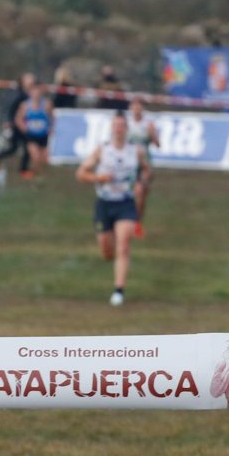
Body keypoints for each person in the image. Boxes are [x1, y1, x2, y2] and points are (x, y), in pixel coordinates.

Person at [75, 111, 150, 307]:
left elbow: (146, 170)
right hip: (104, 203)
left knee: (123, 246)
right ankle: (111, 255)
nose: (118, 129)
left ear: (126, 129)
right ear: (111, 129)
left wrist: (141, 183)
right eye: (115, 126)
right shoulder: (102, 150)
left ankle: (119, 290)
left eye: (121, 126)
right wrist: (98, 178)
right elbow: (81, 173)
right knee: (107, 251)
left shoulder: (136, 151)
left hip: (125, 203)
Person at [126, 96, 160, 238]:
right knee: (129, 193)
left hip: (144, 163)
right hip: (128, 163)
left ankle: (138, 223)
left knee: (141, 194)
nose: (136, 108)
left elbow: (158, 144)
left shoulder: (148, 124)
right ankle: (125, 221)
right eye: (134, 105)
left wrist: (152, 135)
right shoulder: (126, 123)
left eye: (139, 105)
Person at [0, 72, 34, 174]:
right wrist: (8, 121)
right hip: (16, 125)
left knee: (21, 148)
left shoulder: (26, 94)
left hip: (23, 124)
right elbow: (10, 108)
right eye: (28, 78)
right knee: (17, 148)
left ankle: (23, 169)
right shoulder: (18, 94)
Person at [14, 83, 53, 179]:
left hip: (43, 135)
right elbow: (18, 119)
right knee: (35, 156)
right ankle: (35, 174)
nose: (36, 94)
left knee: (44, 158)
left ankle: (41, 173)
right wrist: (24, 128)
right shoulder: (25, 105)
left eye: (38, 92)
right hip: (31, 135)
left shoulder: (47, 104)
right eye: (34, 92)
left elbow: (52, 117)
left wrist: (51, 128)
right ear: (30, 93)